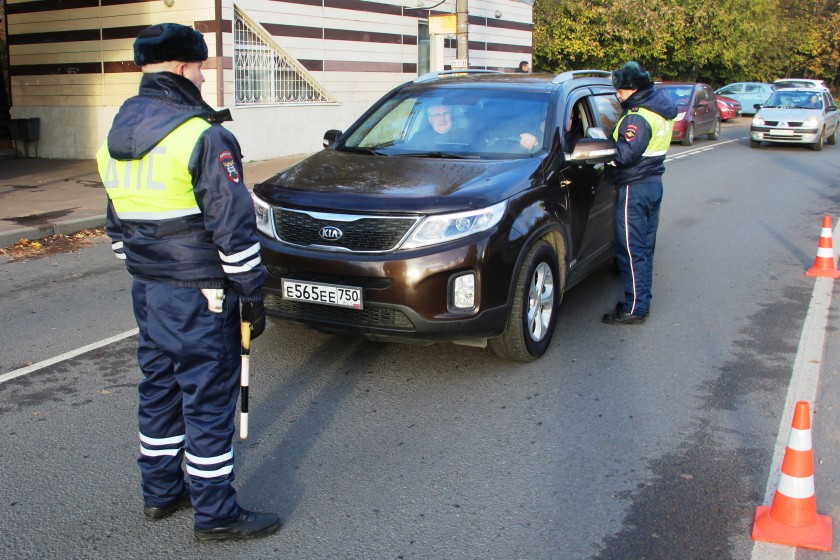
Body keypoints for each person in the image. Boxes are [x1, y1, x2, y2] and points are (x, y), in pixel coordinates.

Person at [96, 23, 281, 541]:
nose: (203, 76)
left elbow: (117, 226)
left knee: (158, 390)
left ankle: (160, 493)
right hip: (203, 293)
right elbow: (234, 229)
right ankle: (216, 513)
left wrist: (147, 270)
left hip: (148, 291)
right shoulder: (204, 135)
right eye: (200, 67)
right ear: (181, 68)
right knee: (208, 397)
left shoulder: (115, 136)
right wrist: (252, 294)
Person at [601, 61, 677, 325]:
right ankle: (639, 300)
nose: (617, 95)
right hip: (653, 182)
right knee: (643, 247)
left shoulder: (637, 116)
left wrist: (605, 153)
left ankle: (635, 308)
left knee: (630, 250)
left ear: (632, 89)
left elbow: (625, 154)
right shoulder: (659, 110)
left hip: (634, 186)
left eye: (619, 91)